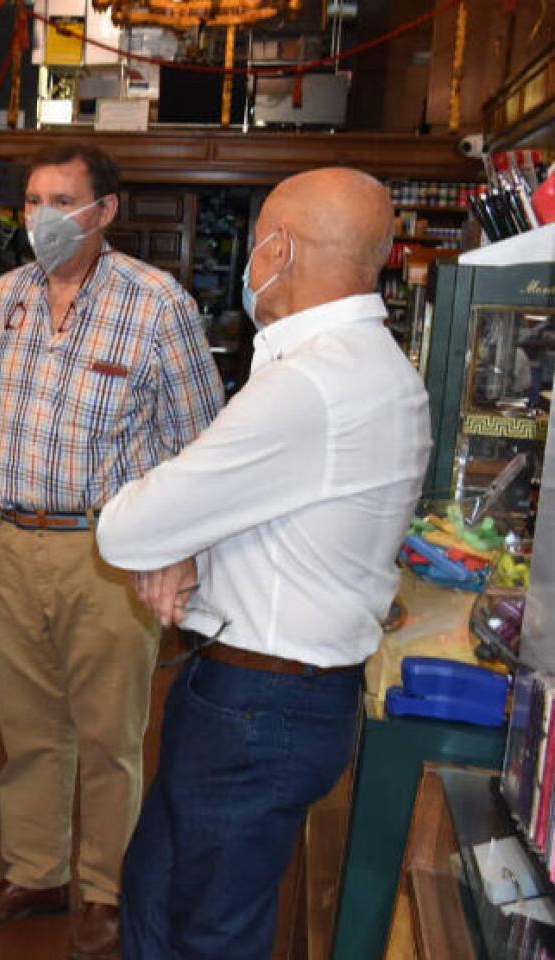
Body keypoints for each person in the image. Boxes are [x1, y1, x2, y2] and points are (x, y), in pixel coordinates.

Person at [96, 167, 432, 958]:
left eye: (254, 245)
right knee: (155, 893)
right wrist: (188, 548)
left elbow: (126, 529)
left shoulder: (311, 384)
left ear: (278, 249)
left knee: (209, 933)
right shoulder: (375, 369)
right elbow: (274, 514)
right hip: (276, 694)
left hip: (258, 709)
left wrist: (166, 537)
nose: (250, 265)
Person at [0, 142, 224, 960]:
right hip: (9, 542)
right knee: (26, 725)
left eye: (59, 200)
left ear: (104, 211)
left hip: (108, 551)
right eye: (31, 200)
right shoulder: (5, 297)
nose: (40, 217)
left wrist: (176, 557)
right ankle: (35, 871)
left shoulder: (157, 303)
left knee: (110, 734)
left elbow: (199, 445)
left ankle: (105, 889)